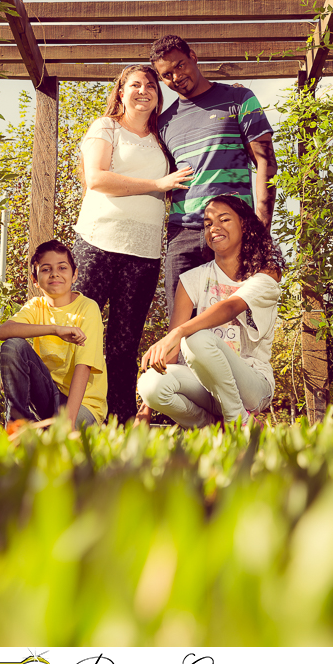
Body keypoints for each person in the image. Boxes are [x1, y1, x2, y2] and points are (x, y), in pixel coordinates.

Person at [73, 64, 194, 424]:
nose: (144, 91)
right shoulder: (105, 127)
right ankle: (66, 416)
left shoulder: (162, 138)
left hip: (143, 254)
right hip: (97, 243)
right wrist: (158, 185)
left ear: (158, 98)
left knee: (124, 346)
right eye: (135, 85)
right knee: (78, 334)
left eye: (151, 87)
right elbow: (95, 178)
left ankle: (119, 423)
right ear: (121, 92)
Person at [149, 34, 278, 317]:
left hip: (232, 229)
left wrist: (260, 228)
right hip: (181, 233)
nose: (176, 77)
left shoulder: (238, 98)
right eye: (166, 75)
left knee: (235, 325)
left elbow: (266, 161)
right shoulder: (164, 123)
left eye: (180, 66)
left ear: (193, 57)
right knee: (181, 329)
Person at [135, 195, 285, 429]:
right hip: (205, 386)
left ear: (244, 225)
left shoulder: (265, 276)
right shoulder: (192, 279)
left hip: (253, 386)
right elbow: (171, 353)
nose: (214, 228)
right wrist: (146, 408)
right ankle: (209, 428)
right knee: (150, 385)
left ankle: (238, 420)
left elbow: (229, 307)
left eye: (224, 220)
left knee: (196, 337)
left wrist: (178, 333)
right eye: (207, 223)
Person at [0, 239, 107, 434]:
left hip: (82, 404)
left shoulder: (87, 308)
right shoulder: (35, 306)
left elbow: (84, 367)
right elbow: (3, 331)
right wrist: (55, 329)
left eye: (62, 268)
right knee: (13, 346)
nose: (55, 273)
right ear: (35, 279)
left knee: (62, 441)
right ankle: (18, 426)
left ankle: (51, 430)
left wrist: (69, 423)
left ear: (74, 275)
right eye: (46, 269)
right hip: (48, 397)